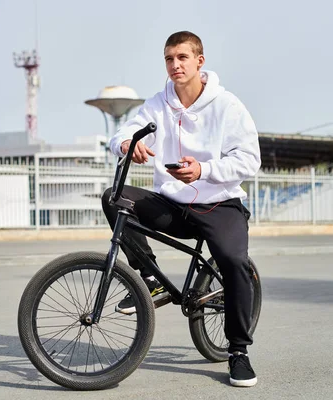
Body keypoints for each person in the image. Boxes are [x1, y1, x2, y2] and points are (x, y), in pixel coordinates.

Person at [101, 31, 261, 387]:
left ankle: (238, 352)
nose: (175, 65)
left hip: (219, 204)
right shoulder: (159, 103)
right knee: (114, 197)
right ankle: (152, 280)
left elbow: (250, 160)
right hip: (173, 204)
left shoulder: (227, 105)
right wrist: (126, 142)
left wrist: (204, 170)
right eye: (169, 59)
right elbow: (123, 132)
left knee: (234, 263)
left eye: (182, 58)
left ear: (199, 61)